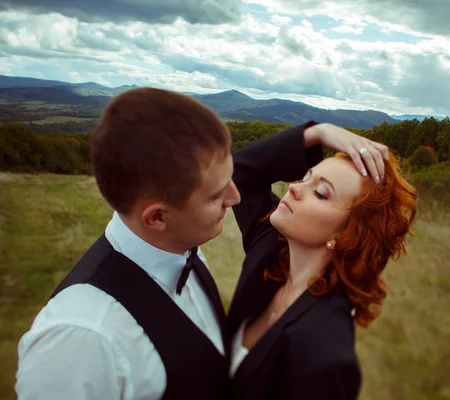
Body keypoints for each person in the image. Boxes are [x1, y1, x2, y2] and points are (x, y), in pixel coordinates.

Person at [16, 88, 241, 399]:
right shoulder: (82, 339)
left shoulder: (178, 245)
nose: (235, 197)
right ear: (157, 218)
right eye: (217, 195)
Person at [227, 122, 417, 399]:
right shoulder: (269, 250)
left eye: (320, 192)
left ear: (348, 234)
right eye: (305, 177)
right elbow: (240, 172)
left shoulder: (326, 355)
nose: (293, 188)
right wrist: (319, 133)